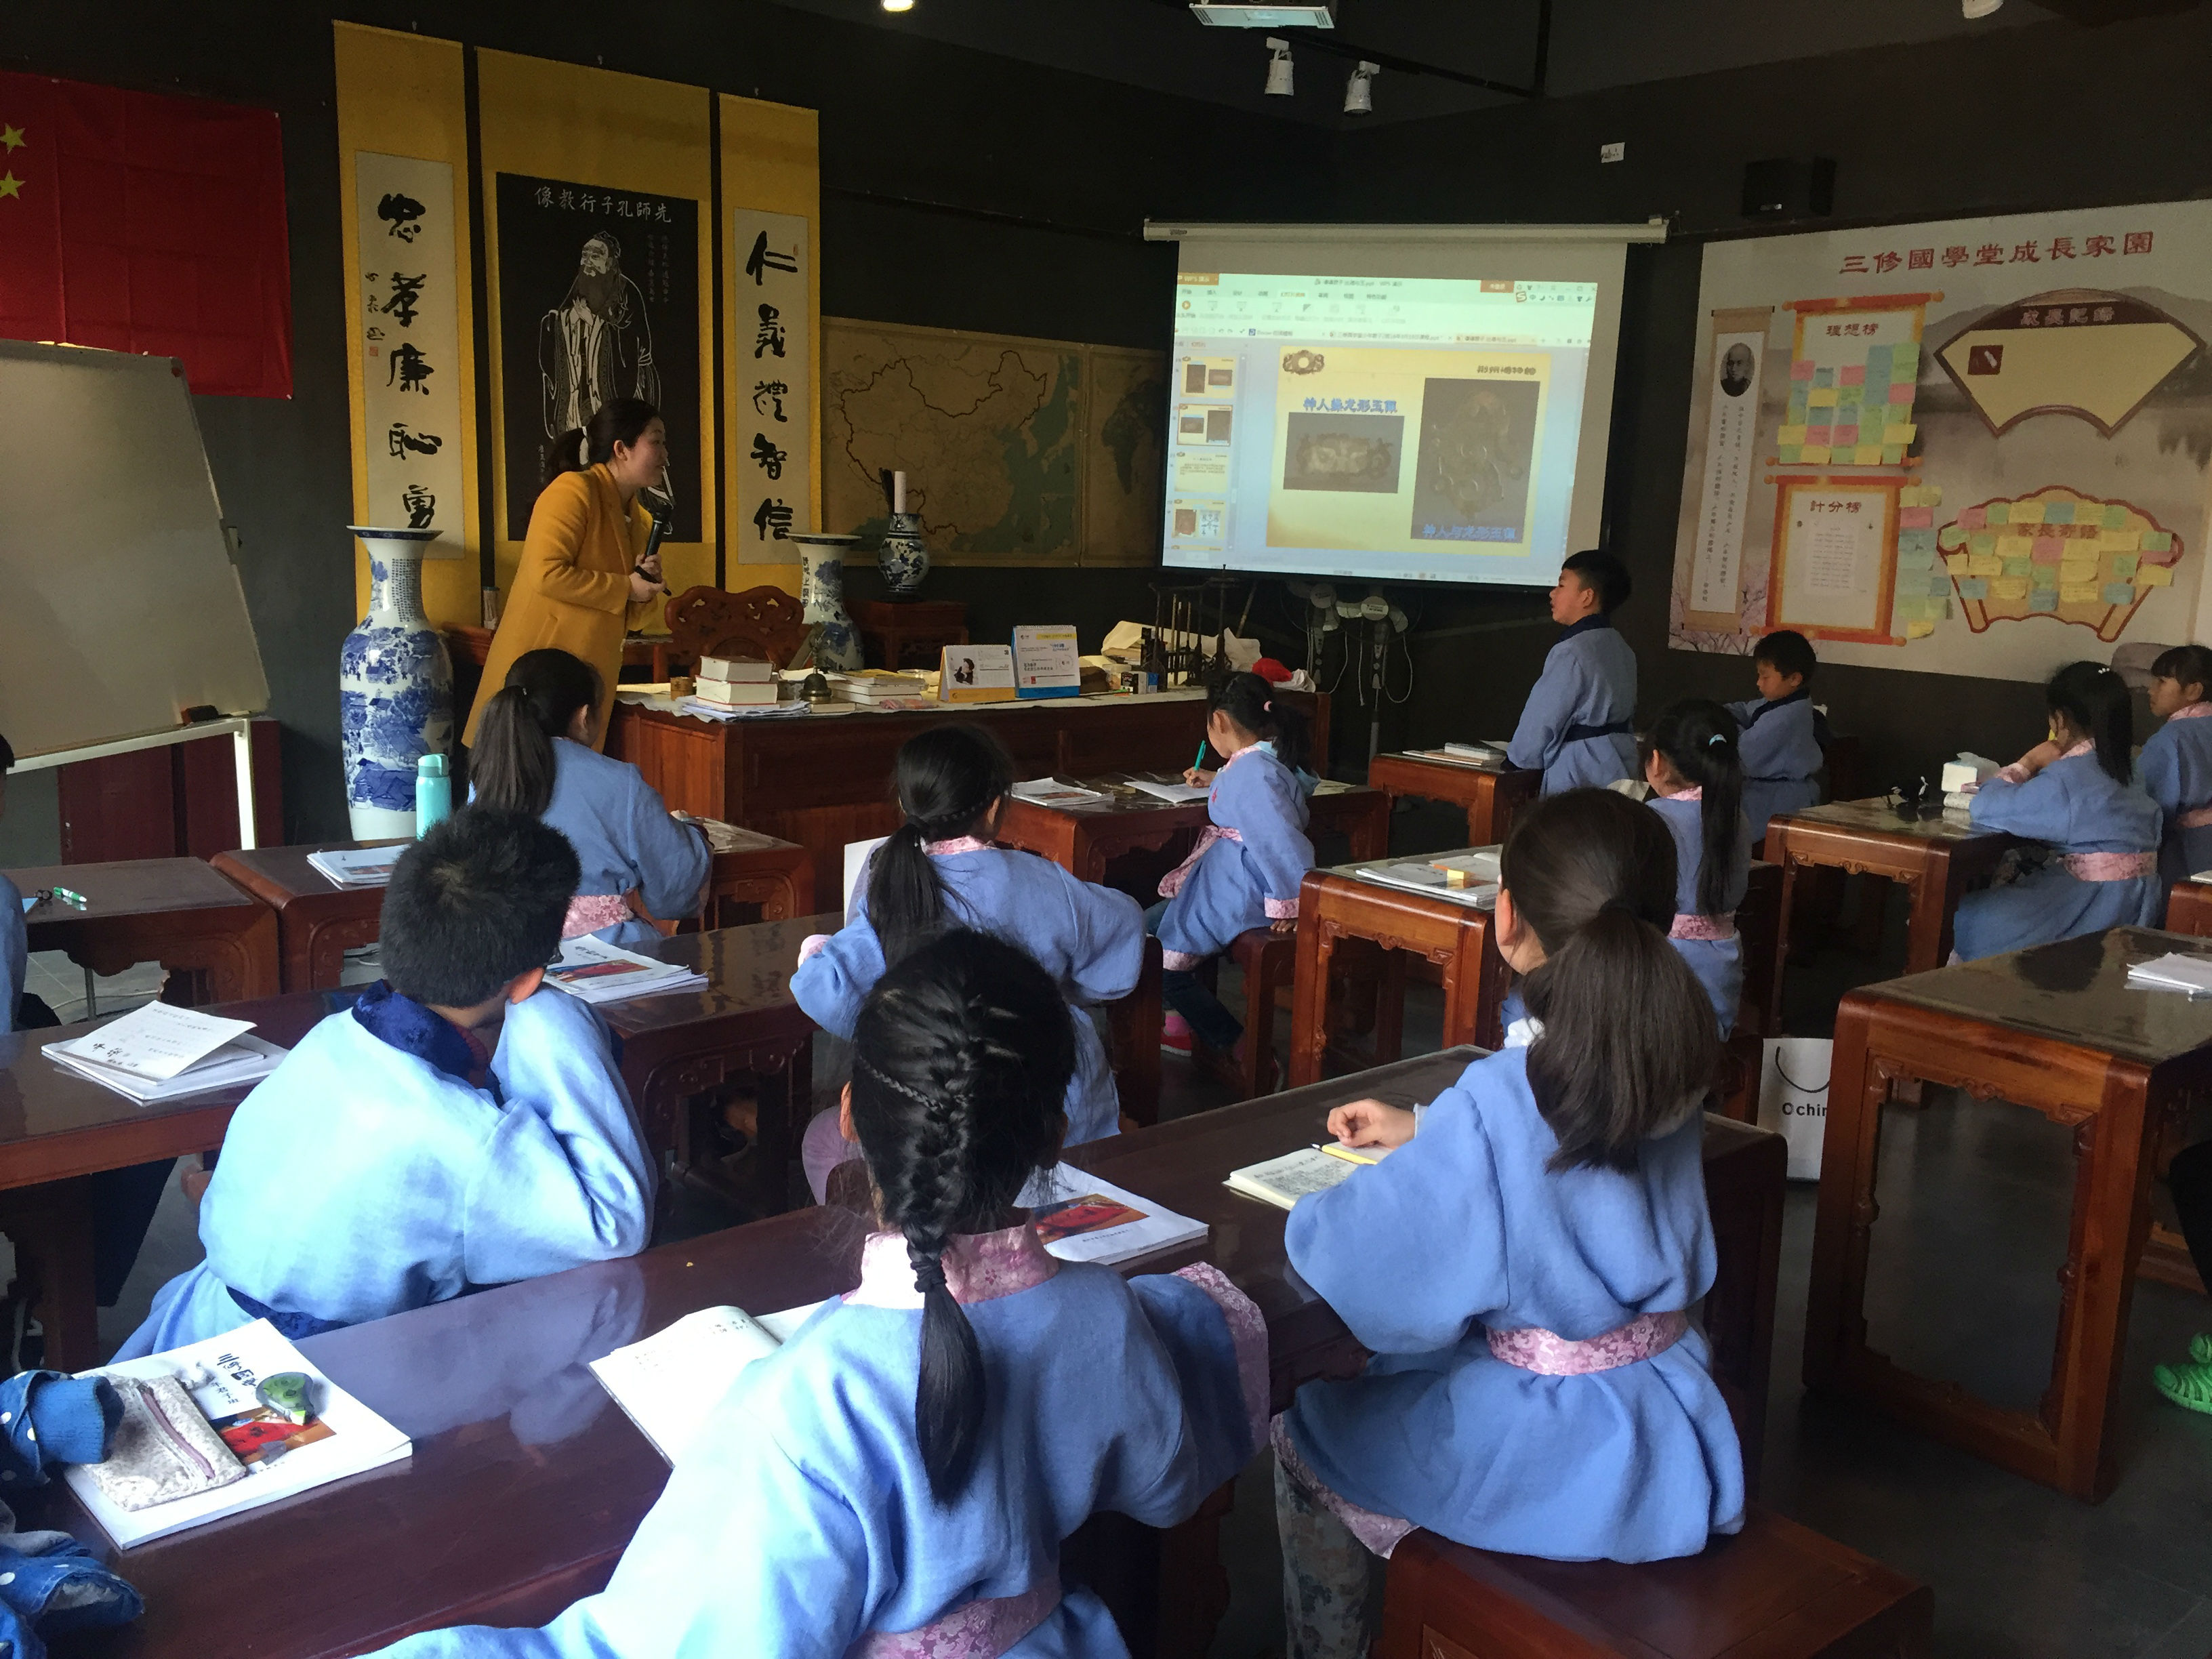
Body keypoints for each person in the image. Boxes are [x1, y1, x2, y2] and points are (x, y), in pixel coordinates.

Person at [369, 928, 1266, 1658]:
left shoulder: (808, 1404)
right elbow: (1164, 1485)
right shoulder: (1104, 1312)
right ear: (1055, 1136)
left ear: (848, 1121)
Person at [1271, 790, 1741, 1656]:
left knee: (1310, 1428)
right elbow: (1565, 1156)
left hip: (1548, 1446)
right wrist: (1434, 1128)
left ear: (1508, 918)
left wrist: (1314, 1212)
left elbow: (1372, 1262)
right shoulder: (1671, 1058)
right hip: (1669, 1416)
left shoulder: (1501, 1096)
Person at [112, 808, 656, 1359]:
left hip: (203, 1323)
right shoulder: (466, 1137)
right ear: (527, 980)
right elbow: (615, 1227)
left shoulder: (329, 1038)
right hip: (326, 1369)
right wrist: (552, 1015)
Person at [792, 725, 1144, 1193]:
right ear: (995, 807)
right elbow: (1121, 948)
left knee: (822, 1141)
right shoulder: (1045, 881)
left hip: (931, 1111)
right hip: (1053, 1109)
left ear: (905, 804)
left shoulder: (892, 885)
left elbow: (824, 989)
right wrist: (1059, 988)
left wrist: (894, 1021)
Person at [464, 398, 670, 753]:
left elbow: (632, 617)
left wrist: (645, 590)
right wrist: (626, 587)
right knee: (520, 774)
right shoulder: (574, 491)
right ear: (621, 449)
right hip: (541, 674)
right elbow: (546, 573)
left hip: (587, 680)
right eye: (657, 441)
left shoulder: (641, 519)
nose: (665, 455)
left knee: (569, 781)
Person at [470, 647, 710, 949]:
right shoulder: (622, 782)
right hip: (608, 955)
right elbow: (674, 887)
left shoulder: (487, 778)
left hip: (505, 954)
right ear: (584, 716)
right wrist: (693, 833)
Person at [1149, 672, 1315, 1067]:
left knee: (1157, 959)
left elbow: (1278, 840)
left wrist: (1293, 903)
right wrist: (1218, 779)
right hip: (1231, 877)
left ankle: (1238, 1044)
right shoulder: (1259, 762)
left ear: (1220, 721)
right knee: (1146, 928)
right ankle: (1179, 1025)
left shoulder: (1251, 774)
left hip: (1243, 887)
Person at [1952, 660, 2164, 962]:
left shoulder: (2069, 776)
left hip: (2089, 904)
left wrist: (2028, 762)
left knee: (1966, 916)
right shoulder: (2130, 766)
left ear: (2060, 719)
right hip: (2137, 899)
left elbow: (1986, 807)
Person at [1642, 701, 1753, 1036]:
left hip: (1660, 974)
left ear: (1657, 761)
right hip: (1722, 973)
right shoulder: (1735, 817)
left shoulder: (1652, 819)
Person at [1507, 549, 1638, 795]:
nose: (1552, 593)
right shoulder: (1622, 647)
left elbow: (1543, 718)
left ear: (1587, 597)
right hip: (1621, 762)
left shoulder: (1572, 650)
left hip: (1579, 768)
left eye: (1561, 585)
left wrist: (1518, 761)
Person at [1723, 629, 1826, 855]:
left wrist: (1721, 726)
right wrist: (1719, 713)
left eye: (1766, 676)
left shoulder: (1787, 717)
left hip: (1778, 800)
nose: (1759, 683)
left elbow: (1744, 754)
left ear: (1794, 679)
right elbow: (1745, 710)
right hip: (1770, 792)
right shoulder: (1784, 702)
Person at [2135, 643, 2212, 888]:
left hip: (2190, 853)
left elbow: (2148, 808)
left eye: (2161, 682)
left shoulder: (2171, 738)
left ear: (2193, 690)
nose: (2151, 690)